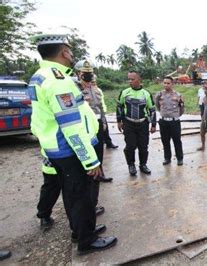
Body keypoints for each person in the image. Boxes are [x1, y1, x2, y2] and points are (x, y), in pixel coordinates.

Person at [28, 33, 117, 255]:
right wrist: (89, 160)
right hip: (70, 150)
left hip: (58, 149)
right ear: (64, 52)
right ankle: (85, 241)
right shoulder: (58, 81)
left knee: (73, 194)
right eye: (69, 50)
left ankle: (82, 230)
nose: (71, 53)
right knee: (80, 196)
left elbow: (38, 120)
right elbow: (71, 126)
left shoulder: (40, 76)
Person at [75, 60, 113, 182]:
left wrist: (104, 122)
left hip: (97, 123)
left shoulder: (95, 89)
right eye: (84, 74)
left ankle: (100, 174)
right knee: (87, 150)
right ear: (78, 74)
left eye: (90, 74)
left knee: (99, 149)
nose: (88, 77)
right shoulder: (74, 88)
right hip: (84, 125)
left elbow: (100, 107)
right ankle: (87, 175)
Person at [116, 71, 156, 176]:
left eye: (132, 79)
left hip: (143, 124)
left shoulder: (146, 93)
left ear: (139, 80)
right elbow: (119, 106)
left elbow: (152, 109)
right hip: (128, 123)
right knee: (130, 146)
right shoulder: (124, 92)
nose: (130, 81)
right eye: (129, 79)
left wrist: (153, 124)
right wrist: (119, 121)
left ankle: (143, 165)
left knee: (143, 146)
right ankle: (131, 165)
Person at [156, 76, 185, 166]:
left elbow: (182, 108)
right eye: (164, 83)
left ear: (172, 84)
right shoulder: (159, 95)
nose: (166, 85)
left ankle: (179, 158)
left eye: (168, 83)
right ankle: (167, 158)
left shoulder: (178, 95)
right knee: (165, 141)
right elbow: (157, 106)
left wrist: (175, 116)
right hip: (164, 122)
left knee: (177, 141)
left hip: (174, 122)